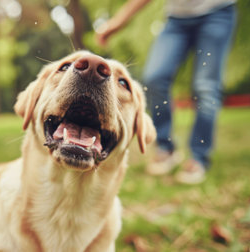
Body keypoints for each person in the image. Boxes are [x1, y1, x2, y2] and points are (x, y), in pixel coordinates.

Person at [96, 0, 237, 184]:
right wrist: (117, 22)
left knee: (206, 86)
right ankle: (166, 147)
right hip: (176, 19)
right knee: (155, 77)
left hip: (217, 13)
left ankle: (198, 156)